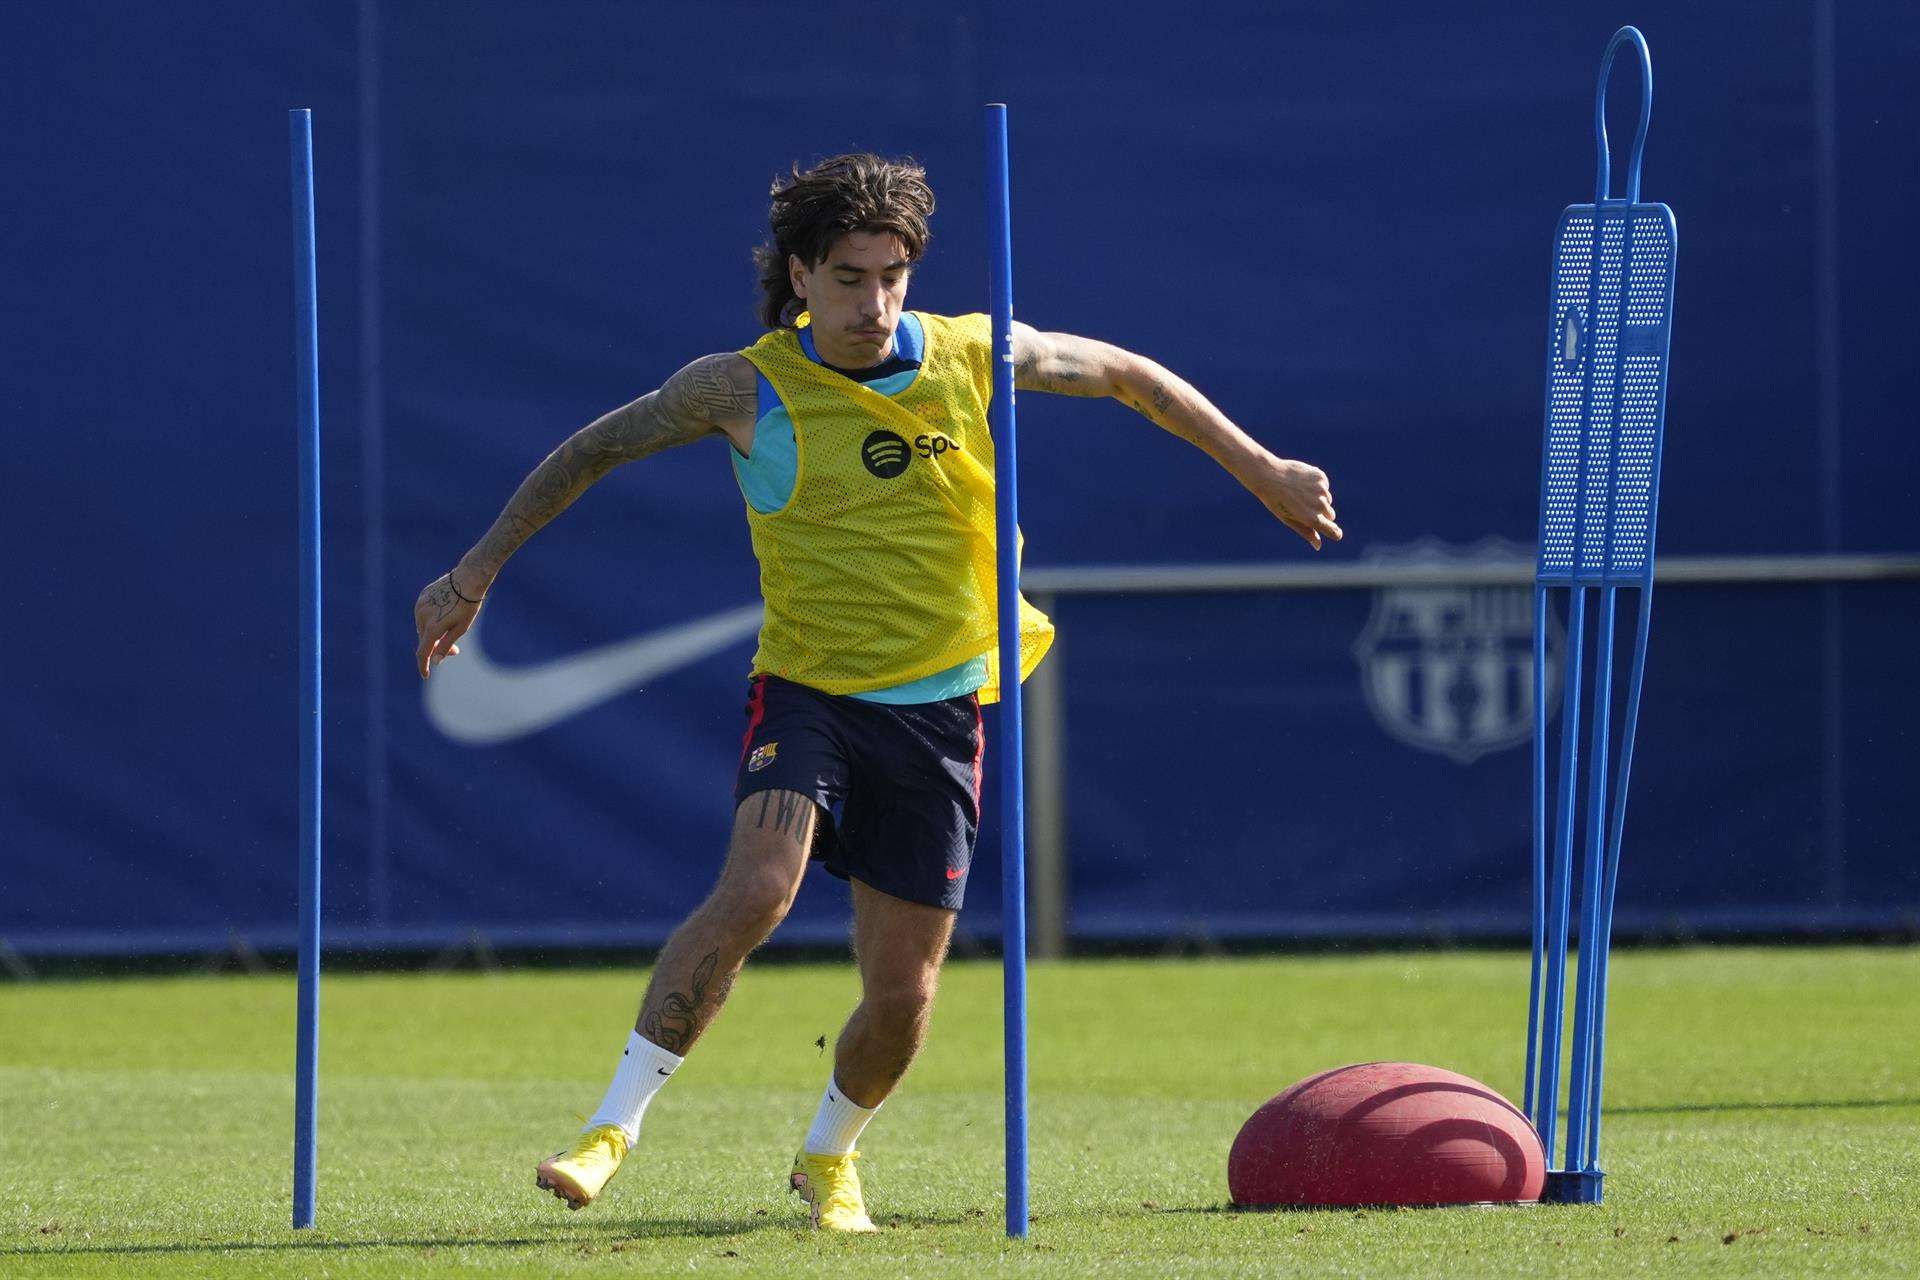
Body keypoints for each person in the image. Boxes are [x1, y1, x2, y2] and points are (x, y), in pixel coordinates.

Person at [412, 152, 1341, 1232]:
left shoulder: (968, 350)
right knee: (760, 885)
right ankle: (612, 1125)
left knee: (903, 1000)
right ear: (801, 276)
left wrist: (1265, 468)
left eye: (892, 275)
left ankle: (828, 1157)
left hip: (942, 706)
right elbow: (592, 450)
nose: (875, 301)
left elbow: (1131, 376)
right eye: (850, 277)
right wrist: (472, 572)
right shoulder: (742, 385)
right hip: (810, 689)